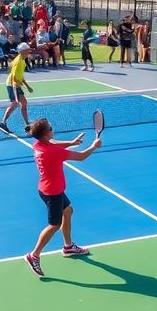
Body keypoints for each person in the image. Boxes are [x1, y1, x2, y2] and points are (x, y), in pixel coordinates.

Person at [23, 118, 102, 276]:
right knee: (53, 225)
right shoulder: (53, 152)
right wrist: (94, 146)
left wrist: (72, 142)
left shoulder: (38, 145)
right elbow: (80, 157)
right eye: (50, 128)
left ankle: (68, 247)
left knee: (68, 211)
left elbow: (52, 143)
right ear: (45, 134)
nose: (53, 129)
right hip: (53, 193)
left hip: (46, 188)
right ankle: (34, 255)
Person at [0, 43, 34, 134]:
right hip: (12, 84)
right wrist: (17, 85)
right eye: (27, 50)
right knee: (14, 103)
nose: (29, 51)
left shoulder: (23, 60)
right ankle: (3, 122)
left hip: (17, 84)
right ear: (22, 51)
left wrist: (27, 86)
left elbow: (20, 76)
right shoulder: (18, 61)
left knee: (24, 103)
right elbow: (14, 77)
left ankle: (27, 124)